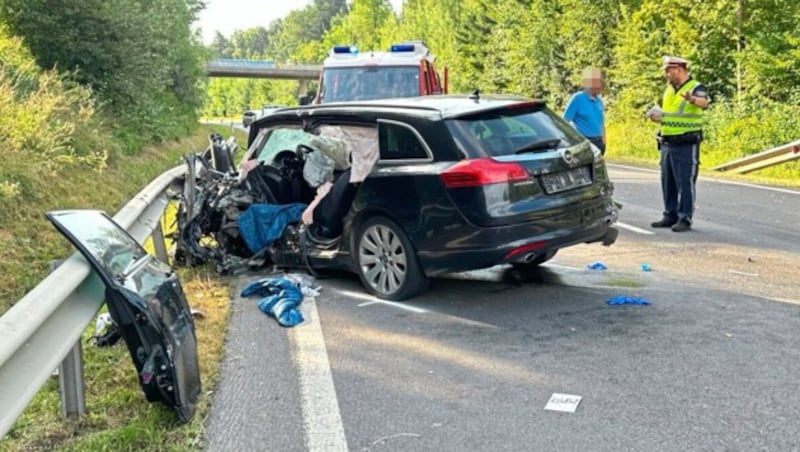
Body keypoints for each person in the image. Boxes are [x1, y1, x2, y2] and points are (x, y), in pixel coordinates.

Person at [646, 55, 710, 232]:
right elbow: (670, 115)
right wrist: (658, 118)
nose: (666, 74)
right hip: (667, 141)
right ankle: (670, 214)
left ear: (680, 70)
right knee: (668, 181)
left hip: (686, 142)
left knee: (685, 182)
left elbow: (704, 103)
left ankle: (685, 218)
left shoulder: (696, 87)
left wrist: (692, 100)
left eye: (669, 70)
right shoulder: (668, 90)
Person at [563, 67, 606, 154]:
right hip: (585, 141)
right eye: (599, 83)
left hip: (599, 142)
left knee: (598, 167)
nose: (601, 86)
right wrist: (574, 140)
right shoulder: (577, 98)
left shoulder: (599, 100)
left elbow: (601, 122)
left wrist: (604, 140)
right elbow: (565, 122)